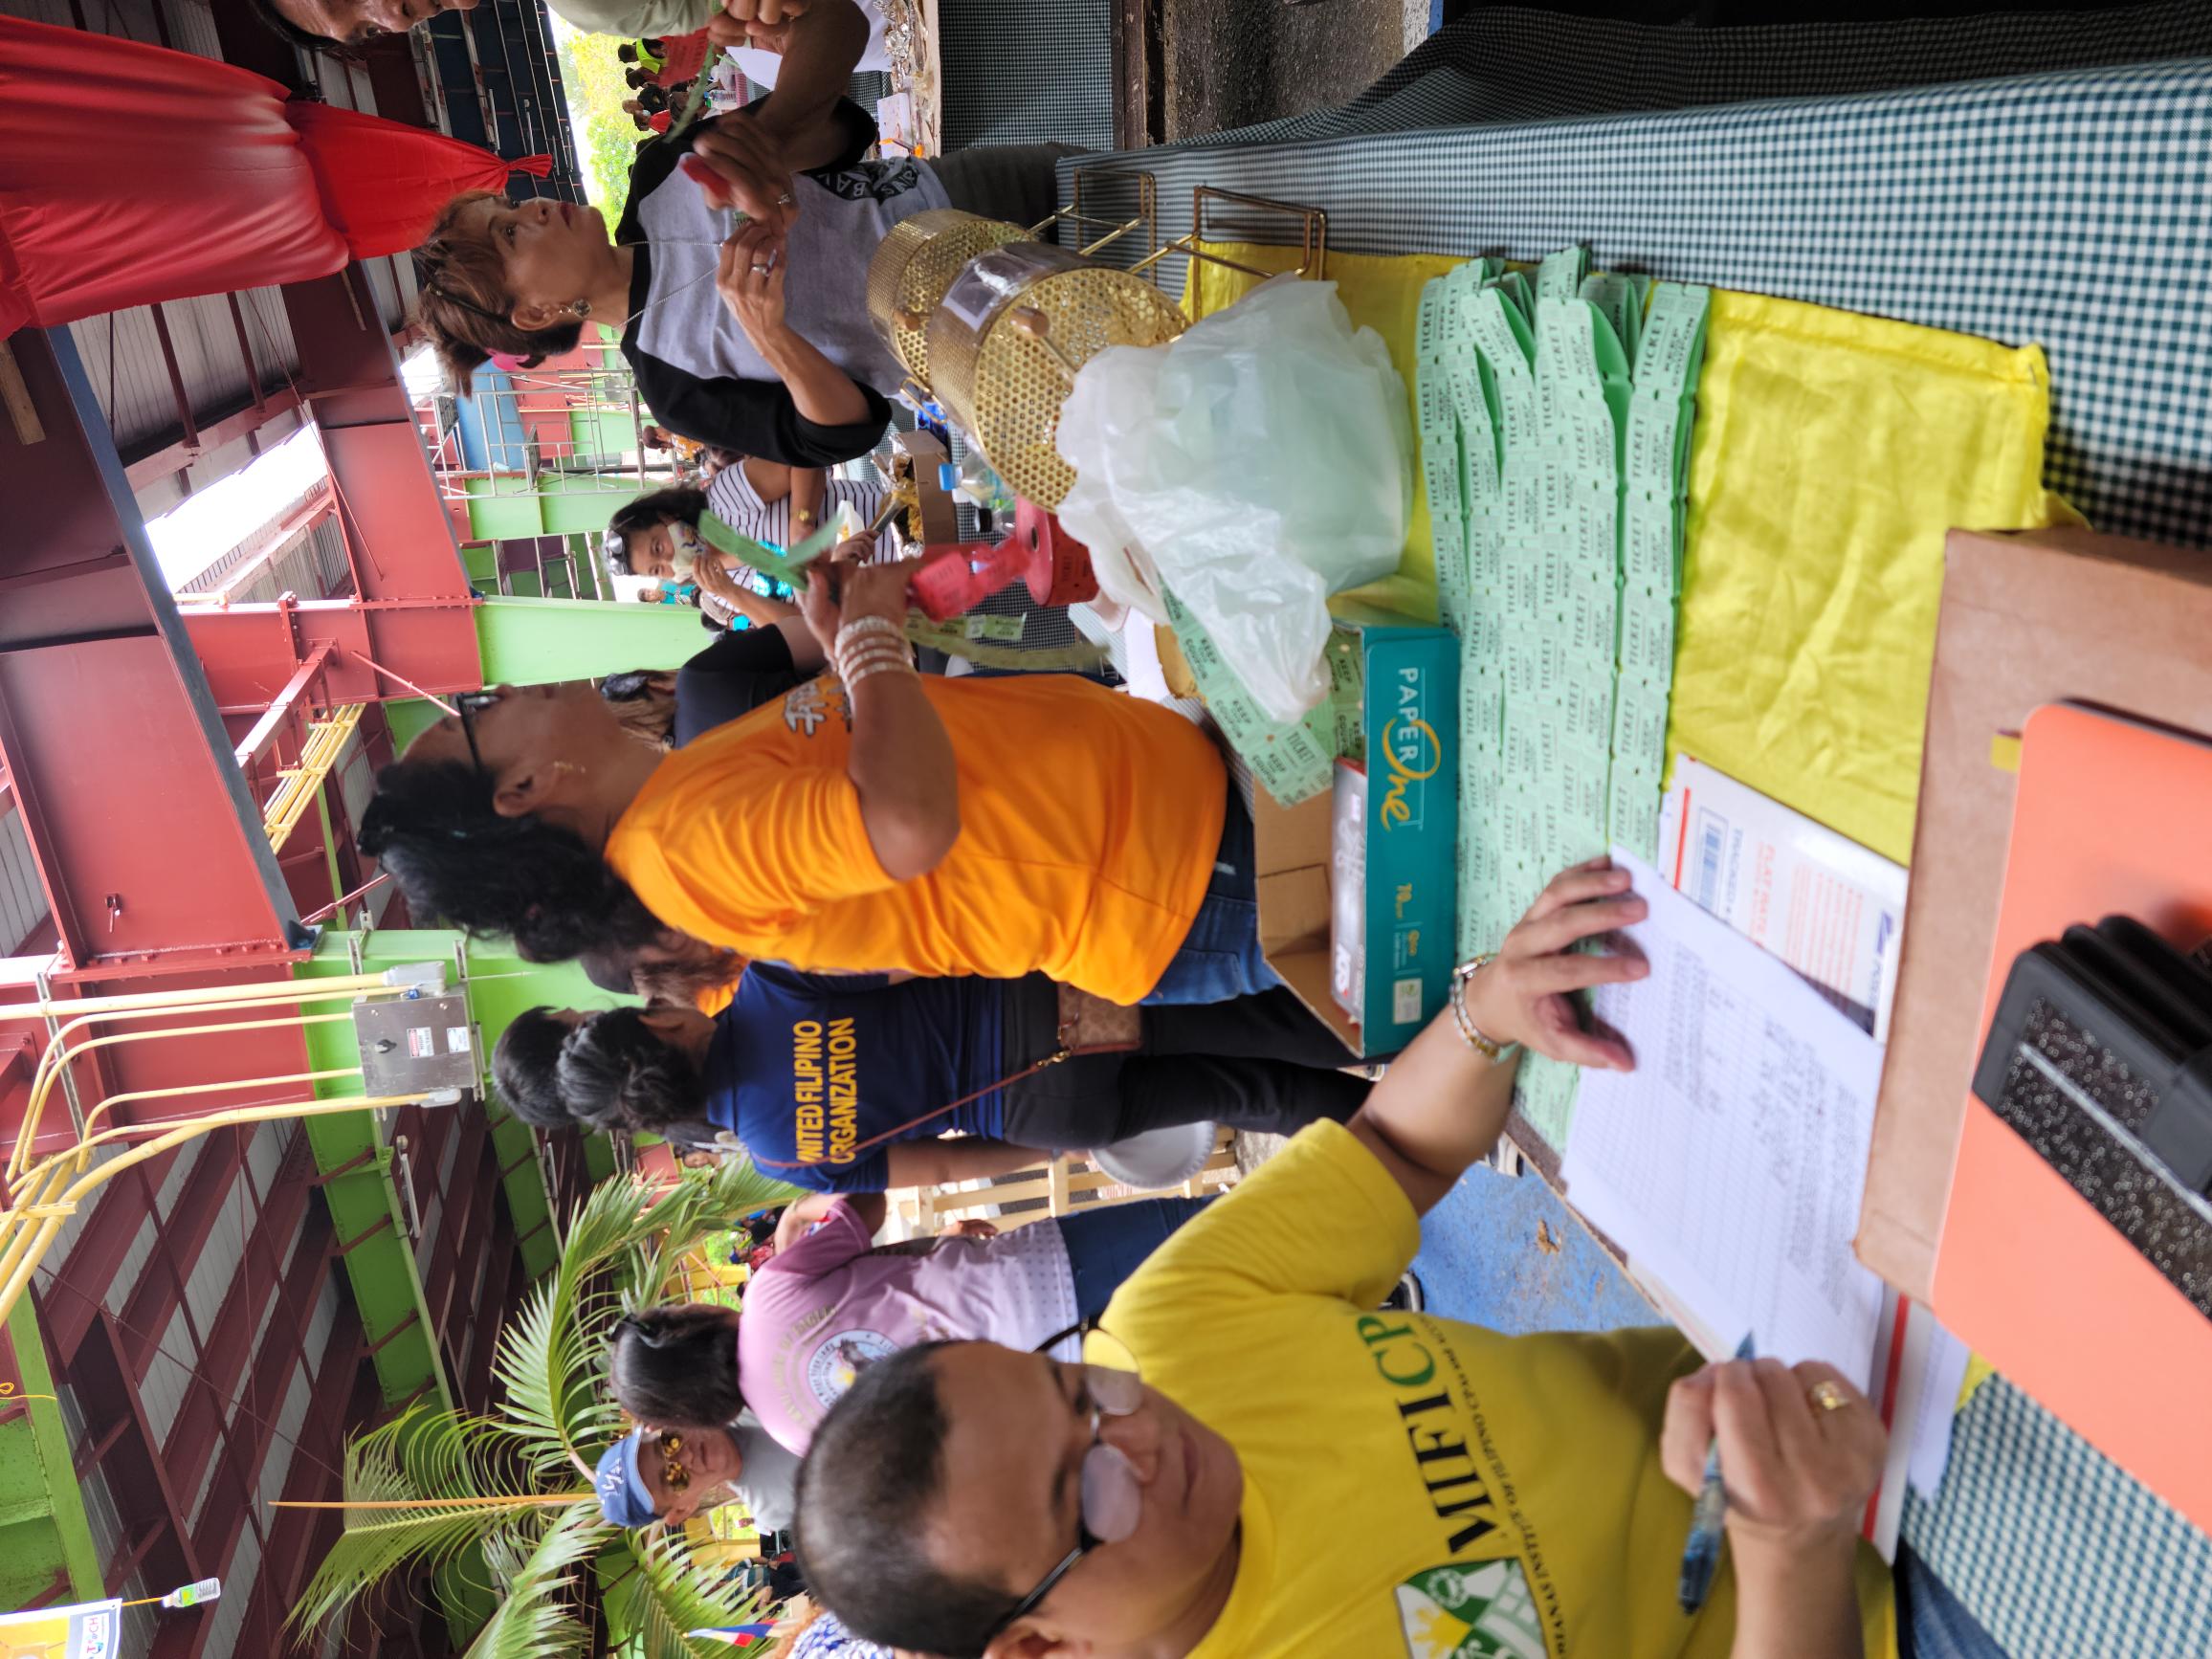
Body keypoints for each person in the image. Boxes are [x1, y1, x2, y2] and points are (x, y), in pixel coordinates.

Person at [786, 856, 1989, 1659]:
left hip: (1817, 1362)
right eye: (1087, 1490)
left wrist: (1485, 1015)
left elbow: (1392, 1154)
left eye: (1077, 1388)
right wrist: (1786, 1548)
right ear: (1038, 1645)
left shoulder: (1167, 1332)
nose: (1139, 1432)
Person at [357, 538, 1268, 1006]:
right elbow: (905, 826)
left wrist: (843, 641)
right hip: (1174, 874)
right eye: (482, 712)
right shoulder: (680, 851)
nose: (507, 689)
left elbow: (866, 751)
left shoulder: (673, 801)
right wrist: (868, 647)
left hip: (1172, 815)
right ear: (521, 790)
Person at [411, 0, 1077, 463]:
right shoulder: (672, 386)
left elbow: (841, 59)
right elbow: (844, 434)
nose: (531, 210)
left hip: (978, 199)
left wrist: (774, 144)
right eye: (509, 236)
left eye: (509, 209)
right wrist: (770, 334)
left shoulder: (662, 174)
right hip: (988, 340)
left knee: (1135, 185)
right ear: (535, 313)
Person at [490, 965, 1366, 1188]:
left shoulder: (779, 1158)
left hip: (1046, 1109)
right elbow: (922, 953)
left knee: (1255, 1095)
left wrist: (1048, 1146)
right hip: (1056, 1008)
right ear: (661, 1024)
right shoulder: (773, 986)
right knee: (1260, 1023)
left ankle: (1411, 1127)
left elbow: (942, 1164)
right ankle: (1412, 1026)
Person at [608, 1189, 1214, 1453]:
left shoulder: (796, 1438)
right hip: (1038, 1278)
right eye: (675, 1310)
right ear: (683, 1328)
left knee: (1218, 1326)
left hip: (1050, 1385)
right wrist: (797, 1213)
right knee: (1211, 1231)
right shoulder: (767, 1295)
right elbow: (866, 1206)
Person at [602, 485, 811, 635]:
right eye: (657, 570)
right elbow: (800, 627)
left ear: (665, 517)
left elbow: (801, 460)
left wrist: (802, 520)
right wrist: (731, 592)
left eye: (658, 547)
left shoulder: (723, 499)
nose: (669, 561)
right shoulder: (719, 593)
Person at [594, 1413, 802, 1535]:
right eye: (673, 1477)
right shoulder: (775, 1510)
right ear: (682, 1510)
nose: (686, 1456)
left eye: (669, 1443)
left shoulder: (741, 1392)